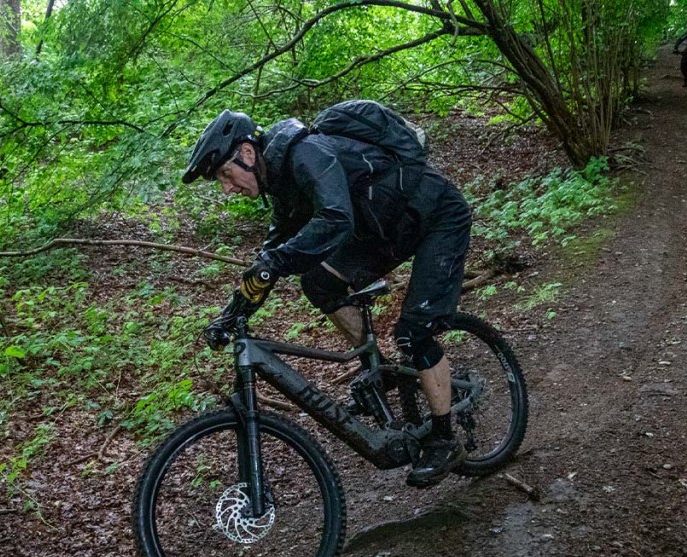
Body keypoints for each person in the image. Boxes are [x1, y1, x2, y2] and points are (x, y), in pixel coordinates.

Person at [182, 104, 473, 487]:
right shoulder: (281, 182)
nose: (227, 187)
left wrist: (279, 260)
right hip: (387, 229)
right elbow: (266, 262)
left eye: (224, 173)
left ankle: (444, 438)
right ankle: (382, 370)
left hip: (435, 216)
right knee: (318, 283)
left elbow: (336, 217)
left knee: (414, 332)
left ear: (247, 154)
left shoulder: (307, 153)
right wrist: (233, 311)